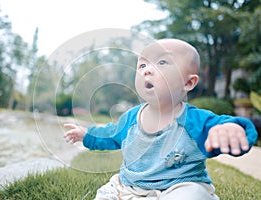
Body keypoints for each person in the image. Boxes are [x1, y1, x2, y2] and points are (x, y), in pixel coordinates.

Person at [64, 38, 257, 200]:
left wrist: (231, 129)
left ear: (188, 82)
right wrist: (87, 135)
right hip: (131, 188)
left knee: (193, 195)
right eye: (142, 65)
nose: (147, 70)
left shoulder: (193, 120)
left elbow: (220, 124)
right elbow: (110, 134)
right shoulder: (131, 118)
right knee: (107, 195)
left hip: (179, 187)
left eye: (162, 62)